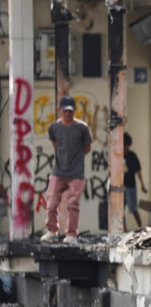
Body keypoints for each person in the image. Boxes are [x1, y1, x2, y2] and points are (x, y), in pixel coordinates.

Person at [42, 96, 92, 244]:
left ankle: (71, 234)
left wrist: (75, 158)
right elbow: (55, 145)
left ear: (74, 111)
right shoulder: (54, 127)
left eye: (70, 111)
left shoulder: (82, 128)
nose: (68, 114)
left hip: (76, 173)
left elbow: (87, 148)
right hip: (58, 171)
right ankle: (51, 231)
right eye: (65, 111)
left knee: (73, 204)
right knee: (51, 203)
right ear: (60, 110)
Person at [123, 132, 147, 230]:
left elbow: (138, 171)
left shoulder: (132, 156)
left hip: (130, 186)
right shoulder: (118, 155)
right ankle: (124, 230)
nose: (124, 147)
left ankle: (140, 227)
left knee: (133, 208)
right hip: (120, 187)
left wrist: (142, 185)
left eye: (125, 145)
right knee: (120, 211)